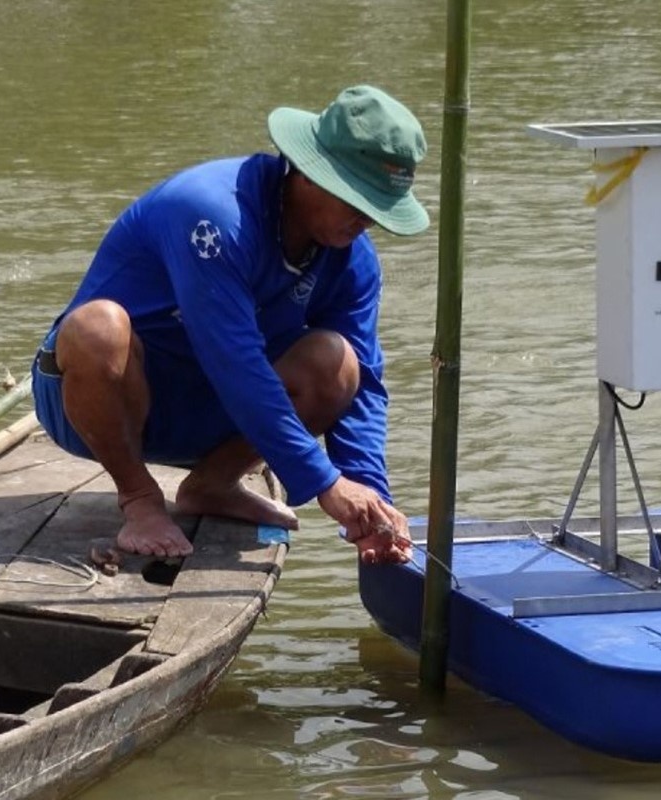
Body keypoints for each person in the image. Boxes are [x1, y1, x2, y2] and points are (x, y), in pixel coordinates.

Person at [31, 85, 426, 566]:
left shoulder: (353, 259)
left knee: (339, 364)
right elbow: (235, 363)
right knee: (98, 328)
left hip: (210, 410)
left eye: (378, 209)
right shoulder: (213, 215)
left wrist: (368, 496)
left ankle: (212, 484)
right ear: (309, 173)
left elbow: (363, 386)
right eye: (358, 201)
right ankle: (139, 497)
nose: (368, 220)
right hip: (104, 400)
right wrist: (323, 482)